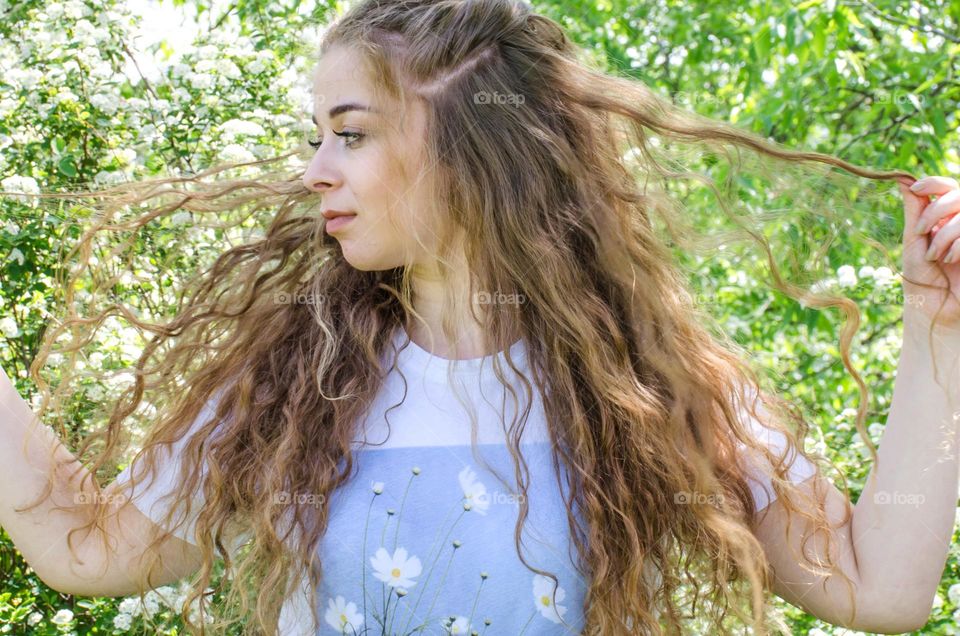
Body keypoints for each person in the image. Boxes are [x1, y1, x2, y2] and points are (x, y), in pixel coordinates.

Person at [3, 0, 959, 634]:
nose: (316, 169)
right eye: (316, 137)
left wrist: (937, 324)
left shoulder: (655, 389)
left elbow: (883, 587)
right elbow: (83, 546)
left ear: (473, 148)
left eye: (352, 133)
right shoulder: (293, 388)